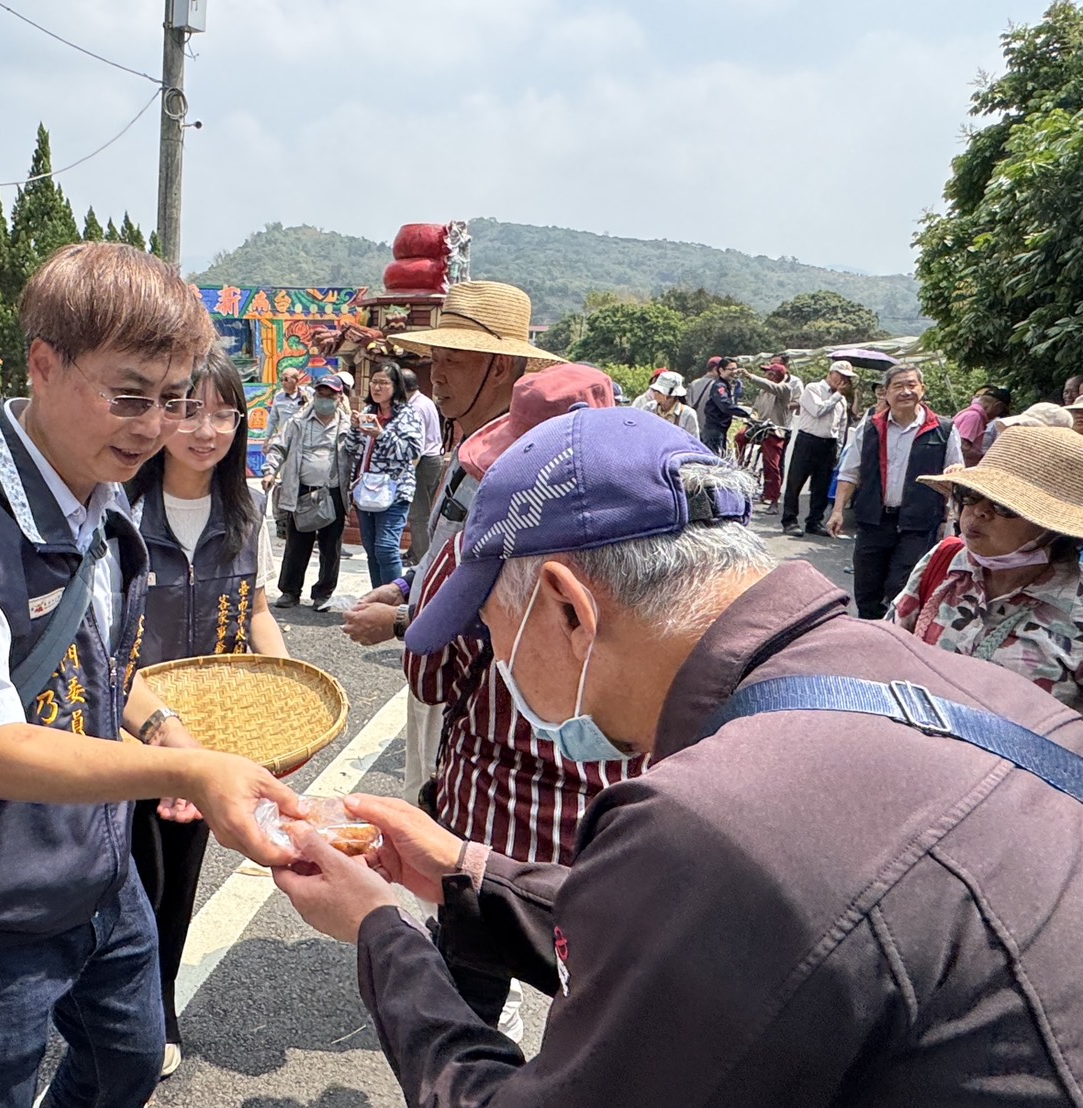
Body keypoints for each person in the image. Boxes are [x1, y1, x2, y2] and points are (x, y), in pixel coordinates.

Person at [273, 405, 1083, 1107]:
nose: (499, 663)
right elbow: (725, 946)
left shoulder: (712, 817)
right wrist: (467, 871)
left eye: (491, 630)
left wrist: (380, 929)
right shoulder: (958, 685)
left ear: (566, 606)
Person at [0, 242, 301, 1108]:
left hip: (101, 872)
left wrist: (170, 735)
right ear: (43, 365)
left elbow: (96, 669)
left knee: (127, 1063)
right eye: (129, 394)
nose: (154, 426)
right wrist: (188, 771)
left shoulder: (104, 499)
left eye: (172, 400)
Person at [404, 363, 644, 1039]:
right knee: (597, 1017)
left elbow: (430, 679)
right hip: (610, 831)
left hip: (485, 822)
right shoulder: (659, 557)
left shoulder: (476, 551)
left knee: (467, 1012)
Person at [126, 350, 288, 1080]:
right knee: (126, 878)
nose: (206, 430)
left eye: (223, 413)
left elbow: (255, 612)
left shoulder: (245, 510)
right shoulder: (118, 509)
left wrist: (284, 697)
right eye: (188, 411)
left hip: (210, 736)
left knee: (175, 883)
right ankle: (117, 1008)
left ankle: (156, 1010)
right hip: (121, 729)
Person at [338, 281, 557, 811]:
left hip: (476, 687)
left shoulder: (528, 469)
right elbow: (446, 554)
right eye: (433, 360)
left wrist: (395, 624)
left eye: (452, 361)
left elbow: (509, 599)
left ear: (500, 368)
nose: (436, 376)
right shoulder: (467, 448)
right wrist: (402, 586)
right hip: (437, 664)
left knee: (449, 830)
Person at [890, 426, 1082, 711]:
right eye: (970, 493)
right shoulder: (944, 560)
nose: (979, 511)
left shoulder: (1076, 608)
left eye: (1004, 505)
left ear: (1052, 528)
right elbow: (889, 650)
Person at [829, 365, 962, 619]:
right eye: (898, 386)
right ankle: (869, 638)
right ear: (886, 393)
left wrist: (953, 520)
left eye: (911, 385)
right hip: (873, 520)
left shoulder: (943, 429)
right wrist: (837, 512)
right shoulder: (870, 428)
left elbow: (956, 476)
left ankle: (894, 640)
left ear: (922, 390)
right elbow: (849, 472)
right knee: (867, 590)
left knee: (900, 587)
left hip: (918, 523)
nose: (905, 391)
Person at [264, 374, 351, 611]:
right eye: (320, 394)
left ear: (339, 397)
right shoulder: (297, 422)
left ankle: (323, 593)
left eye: (330, 396)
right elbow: (279, 447)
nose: (325, 400)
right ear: (314, 395)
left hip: (333, 492)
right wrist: (270, 470)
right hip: (302, 490)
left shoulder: (348, 425)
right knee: (297, 543)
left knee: (330, 546)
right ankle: (290, 592)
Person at [347, 363, 425, 589]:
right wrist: (354, 428)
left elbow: (411, 452)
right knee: (370, 548)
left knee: (386, 547)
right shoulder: (369, 413)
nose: (377, 387)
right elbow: (352, 448)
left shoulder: (408, 415)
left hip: (395, 490)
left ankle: (393, 599)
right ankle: (377, 595)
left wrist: (381, 435)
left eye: (383, 383)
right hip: (364, 490)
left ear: (395, 387)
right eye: (374, 382)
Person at [781, 359, 853, 537]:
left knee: (821, 485)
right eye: (840, 375)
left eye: (847, 378)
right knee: (795, 482)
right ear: (831, 373)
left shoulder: (842, 401)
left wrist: (838, 449)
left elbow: (841, 426)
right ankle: (790, 520)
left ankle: (814, 521)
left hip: (828, 443)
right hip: (808, 440)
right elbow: (818, 410)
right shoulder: (813, 389)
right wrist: (837, 396)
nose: (843, 380)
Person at [736, 356, 802, 509]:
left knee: (772, 464)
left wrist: (749, 376)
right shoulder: (763, 392)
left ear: (774, 376)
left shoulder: (785, 389)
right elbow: (756, 409)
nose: (766, 375)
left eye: (769, 373)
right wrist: (753, 416)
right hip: (760, 426)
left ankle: (773, 499)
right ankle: (740, 469)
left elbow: (773, 387)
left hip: (775, 430)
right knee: (739, 437)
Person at [402, 366, 445, 567]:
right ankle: (415, 551)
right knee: (425, 512)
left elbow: (416, 445)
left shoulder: (415, 408)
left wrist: (408, 470)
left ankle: (422, 560)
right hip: (434, 458)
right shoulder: (424, 401)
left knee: (419, 514)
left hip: (423, 462)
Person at [264, 367, 312, 537]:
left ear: (296, 380)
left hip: (304, 445)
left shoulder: (308, 395)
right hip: (284, 445)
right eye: (282, 379)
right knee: (286, 481)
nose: (283, 383)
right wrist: (267, 439)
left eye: (286, 379)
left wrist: (307, 402)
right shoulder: (278, 398)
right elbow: (273, 420)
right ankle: (285, 520)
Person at [688, 356, 740, 455]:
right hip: (713, 429)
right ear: (717, 369)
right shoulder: (719, 385)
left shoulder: (694, 384)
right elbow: (725, 406)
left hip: (695, 429)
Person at [952, 384, 1011, 467]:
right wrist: (983, 457)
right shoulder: (974, 417)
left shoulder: (970, 413)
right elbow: (962, 447)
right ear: (998, 407)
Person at [647, 371, 699, 437]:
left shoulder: (688, 415)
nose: (656, 394)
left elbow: (693, 443)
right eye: (655, 391)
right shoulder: (648, 409)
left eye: (660, 392)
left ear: (673, 396)